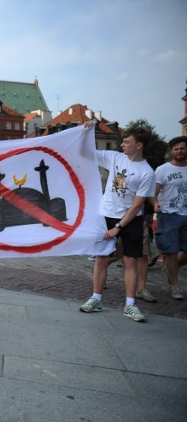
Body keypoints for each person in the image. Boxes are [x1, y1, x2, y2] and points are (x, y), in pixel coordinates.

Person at [79, 122, 155, 322]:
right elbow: (84, 152)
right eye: (123, 141)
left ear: (139, 145)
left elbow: (137, 205)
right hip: (106, 214)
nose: (122, 145)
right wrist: (84, 130)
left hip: (130, 220)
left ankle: (130, 305)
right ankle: (95, 299)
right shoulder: (114, 157)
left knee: (130, 261)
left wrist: (118, 227)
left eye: (127, 142)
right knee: (101, 259)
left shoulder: (147, 172)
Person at [152, 135, 187, 300]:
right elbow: (153, 193)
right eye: (176, 149)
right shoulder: (163, 169)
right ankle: (175, 287)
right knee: (171, 252)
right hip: (169, 215)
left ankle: (169, 269)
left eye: (182, 148)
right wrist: (155, 203)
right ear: (171, 151)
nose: (179, 151)